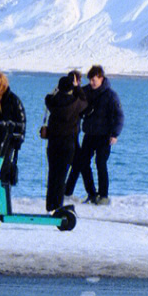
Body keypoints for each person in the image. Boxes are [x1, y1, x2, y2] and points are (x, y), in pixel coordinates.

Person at [70, 66, 123, 203]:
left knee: (101, 163)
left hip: (104, 136)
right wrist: (76, 87)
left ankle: (103, 196)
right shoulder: (86, 91)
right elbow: (77, 100)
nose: (92, 83)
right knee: (83, 163)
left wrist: (115, 134)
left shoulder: (111, 95)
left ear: (101, 78)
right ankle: (92, 194)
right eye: (90, 80)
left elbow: (119, 116)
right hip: (89, 134)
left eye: (94, 80)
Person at [44, 73, 86, 214]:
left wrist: (56, 91)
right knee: (62, 175)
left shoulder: (52, 102)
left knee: (53, 174)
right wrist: (77, 87)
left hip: (53, 142)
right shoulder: (76, 103)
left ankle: (50, 205)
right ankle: (58, 205)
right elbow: (85, 101)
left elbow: (47, 98)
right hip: (68, 143)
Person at [0, 73, 26, 184]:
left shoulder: (13, 100)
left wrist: (19, 138)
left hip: (8, 140)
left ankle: (4, 192)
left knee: (4, 166)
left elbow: (21, 120)